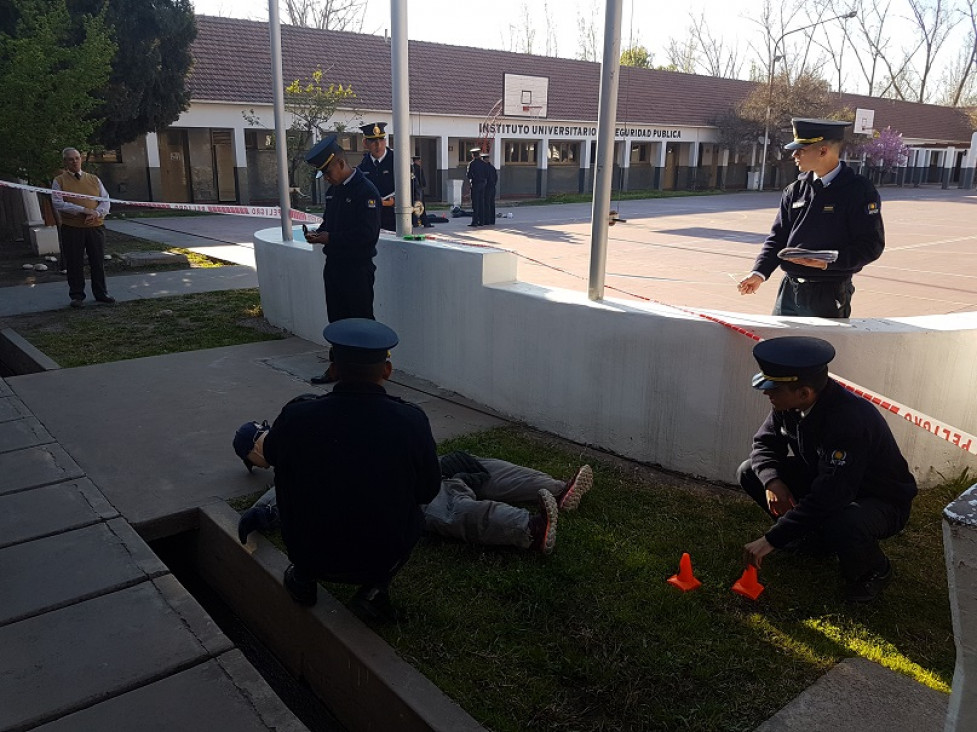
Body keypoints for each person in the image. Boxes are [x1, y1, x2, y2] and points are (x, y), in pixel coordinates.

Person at [249, 318, 441, 622]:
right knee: (416, 508)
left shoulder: (298, 416)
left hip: (308, 549)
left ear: (333, 368)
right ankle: (374, 589)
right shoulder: (411, 421)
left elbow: (270, 455)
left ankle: (303, 578)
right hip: (380, 555)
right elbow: (428, 490)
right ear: (387, 371)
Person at [737, 336, 917, 603]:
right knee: (751, 471)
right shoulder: (788, 404)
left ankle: (873, 570)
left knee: (844, 519)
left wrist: (772, 539)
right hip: (831, 481)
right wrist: (773, 482)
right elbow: (764, 444)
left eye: (773, 388)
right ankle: (811, 542)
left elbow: (832, 496)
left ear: (804, 393)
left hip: (879, 499)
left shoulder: (849, 422)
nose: (767, 393)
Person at [235, 425, 594, 555]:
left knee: (452, 509)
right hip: (426, 463)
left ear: (254, 455)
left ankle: (532, 528)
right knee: (481, 470)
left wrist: (260, 513)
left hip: (405, 486)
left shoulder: (294, 454)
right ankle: (556, 491)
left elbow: (284, 493)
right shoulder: (310, 423)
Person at [737, 118, 885, 318]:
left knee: (819, 347)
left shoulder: (858, 191)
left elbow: (871, 245)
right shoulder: (795, 190)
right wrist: (759, 273)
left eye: (801, 150)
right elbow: (778, 237)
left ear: (823, 151)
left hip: (828, 292)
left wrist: (828, 262)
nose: (794, 155)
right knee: (779, 345)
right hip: (789, 289)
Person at [303, 135, 381, 384]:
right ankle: (337, 368)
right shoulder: (334, 191)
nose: (326, 178)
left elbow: (367, 235)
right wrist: (319, 233)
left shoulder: (365, 191)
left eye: (328, 172)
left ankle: (369, 372)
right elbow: (331, 223)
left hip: (357, 269)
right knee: (336, 321)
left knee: (361, 320)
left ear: (339, 163)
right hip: (334, 267)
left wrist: (330, 238)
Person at [51, 147, 115, 308]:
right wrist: (83, 210)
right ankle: (77, 296)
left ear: (81, 159)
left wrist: (96, 213)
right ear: (65, 162)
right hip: (72, 228)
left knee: (97, 261)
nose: (75, 161)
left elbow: (105, 200)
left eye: (77, 158)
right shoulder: (59, 181)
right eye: (71, 159)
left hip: (95, 227)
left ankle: (101, 293)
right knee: (74, 262)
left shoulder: (94, 179)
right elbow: (58, 203)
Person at [357, 122, 397, 232]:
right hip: (371, 220)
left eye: (381, 140)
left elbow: (412, 190)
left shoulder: (398, 162)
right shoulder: (363, 167)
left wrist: (393, 202)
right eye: (373, 141)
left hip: (395, 220)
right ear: (365, 143)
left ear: (385, 141)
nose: (378, 145)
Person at [466, 148, 489, 227]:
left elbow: (469, 175)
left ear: (473, 155)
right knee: (481, 203)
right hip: (483, 185)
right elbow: (487, 174)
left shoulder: (472, 164)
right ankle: (481, 221)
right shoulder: (484, 164)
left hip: (475, 184)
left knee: (475, 204)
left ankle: (475, 221)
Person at [411, 155, 433, 228]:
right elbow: (422, 181)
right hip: (418, 190)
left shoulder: (411, 168)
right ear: (416, 161)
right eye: (419, 161)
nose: (420, 162)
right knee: (421, 206)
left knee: (415, 206)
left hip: (412, 191)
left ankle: (416, 222)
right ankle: (425, 222)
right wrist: (423, 185)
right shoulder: (419, 169)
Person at [481, 152, 497, 225]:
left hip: (486, 188)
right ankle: (492, 220)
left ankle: (486, 220)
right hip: (493, 188)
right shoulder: (492, 168)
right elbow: (496, 178)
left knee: (486, 204)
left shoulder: (484, 168)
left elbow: (484, 178)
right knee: (492, 204)